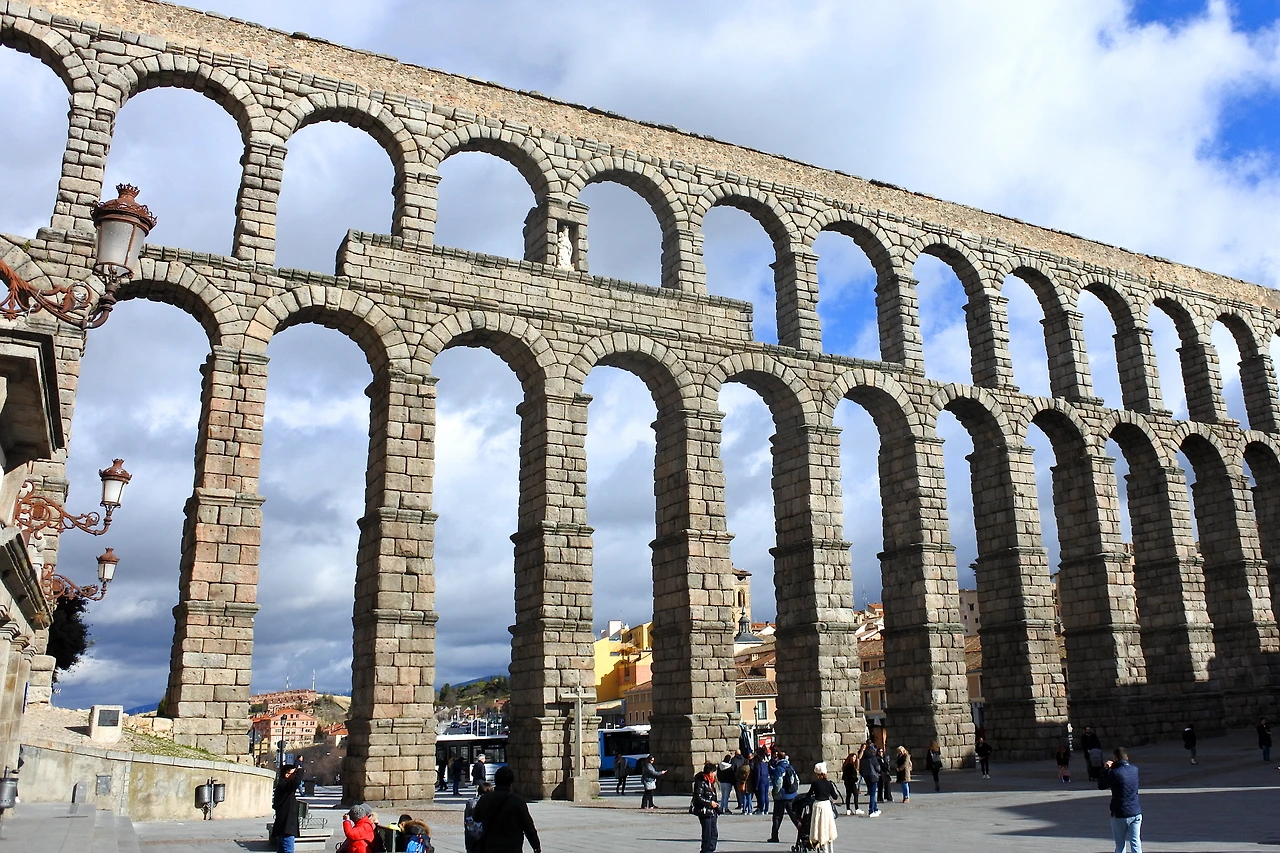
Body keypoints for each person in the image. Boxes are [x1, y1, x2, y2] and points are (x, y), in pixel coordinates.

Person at [471, 766, 542, 853]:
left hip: (490, 845)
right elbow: (528, 826)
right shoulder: (518, 801)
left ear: (495, 780)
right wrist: (536, 845)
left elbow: (476, 817)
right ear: (511, 782)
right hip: (512, 846)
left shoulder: (485, 798)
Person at [1098, 747, 1141, 853]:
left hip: (1120, 813)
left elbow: (1101, 785)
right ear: (1127, 757)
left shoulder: (1115, 773)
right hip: (1135, 811)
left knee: (1120, 845)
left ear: (1115, 758)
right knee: (1136, 843)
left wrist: (1105, 769)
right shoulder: (1135, 769)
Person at [767, 750, 800, 843]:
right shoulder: (790, 766)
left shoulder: (779, 768)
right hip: (792, 795)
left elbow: (778, 783)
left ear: (778, 758)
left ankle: (774, 836)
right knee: (794, 816)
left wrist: (775, 792)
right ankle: (803, 832)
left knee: (777, 817)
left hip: (781, 797)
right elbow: (797, 779)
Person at [806, 762, 840, 852]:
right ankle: (831, 849)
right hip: (827, 806)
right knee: (828, 827)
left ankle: (824, 848)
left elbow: (808, 795)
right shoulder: (829, 783)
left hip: (818, 805)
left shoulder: (815, 783)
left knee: (820, 828)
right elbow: (835, 796)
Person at [271, 763, 303, 853]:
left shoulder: (285, 788)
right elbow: (296, 782)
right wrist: (300, 771)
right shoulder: (284, 787)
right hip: (286, 827)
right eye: (294, 773)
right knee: (288, 850)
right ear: (287, 775)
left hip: (286, 827)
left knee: (282, 850)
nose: (295, 775)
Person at [692, 762, 720, 853]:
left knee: (714, 833)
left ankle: (711, 850)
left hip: (712, 812)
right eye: (714, 772)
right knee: (707, 834)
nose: (715, 774)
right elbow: (698, 798)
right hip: (704, 812)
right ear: (711, 772)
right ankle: (705, 851)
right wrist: (710, 803)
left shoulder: (711, 782)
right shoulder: (701, 782)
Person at [464, 782, 493, 853]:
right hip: (486, 836)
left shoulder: (471, 802)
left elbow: (466, 819)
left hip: (472, 834)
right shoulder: (492, 803)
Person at [859, 741, 883, 817]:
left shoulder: (863, 759)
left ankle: (875, 809)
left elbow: (860, 769)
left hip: (866, 777)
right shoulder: (873, 758)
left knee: (871, 793)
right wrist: (878, 771)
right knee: (873, 794)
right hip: (873, 776)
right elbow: (877, 768)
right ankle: (871, 810)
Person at [840, 748, 861, 815]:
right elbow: (852, 775)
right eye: (854, 757)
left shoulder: (846, 765)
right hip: (851, 782)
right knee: (855, 795)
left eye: (855, 757)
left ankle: (848, 809)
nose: (855, 759)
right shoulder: (851, 766)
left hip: (847, 782)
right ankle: (856, 808)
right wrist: (856, 779)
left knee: (848, 795)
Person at [753, 748, 772, 815]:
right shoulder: (765, 764)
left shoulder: (758, 765)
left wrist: (756, 785)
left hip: (761, 781)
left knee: (762, 796)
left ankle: (761, 809)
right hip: (766, 780)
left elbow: (758, 775)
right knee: (766, 795)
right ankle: (766, 809)